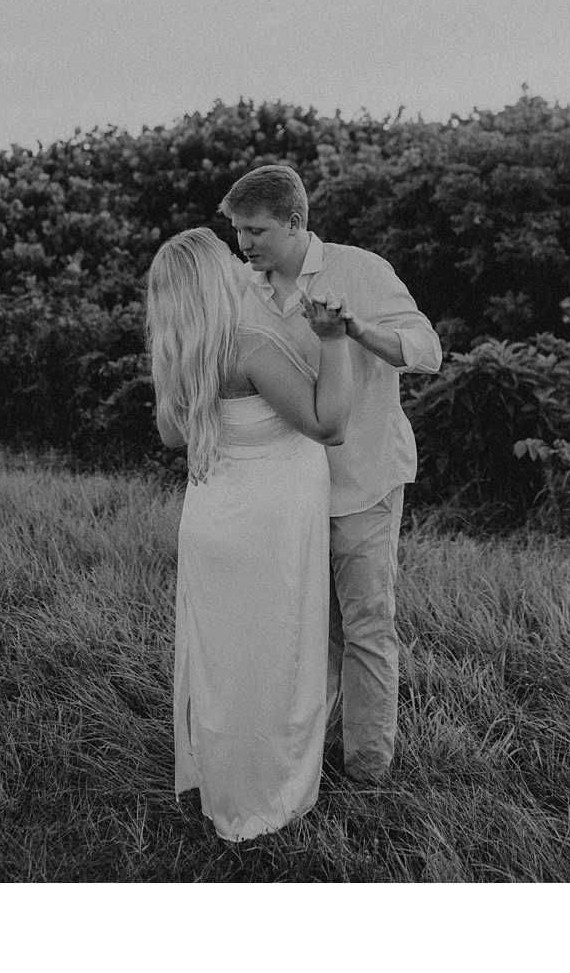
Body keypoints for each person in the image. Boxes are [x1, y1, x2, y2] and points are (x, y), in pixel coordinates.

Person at [219, 165, 443, 785]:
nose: (245, 244)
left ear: (296, 222)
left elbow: (428, 352)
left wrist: (354, 329)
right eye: (238, 231)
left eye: (256, 230)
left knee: (367, 625)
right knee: (311, 631)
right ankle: (305, 761)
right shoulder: (241, 286)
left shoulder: (360, 269)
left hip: (363, 478)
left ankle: (369, 774)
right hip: (286, 491)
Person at [146, 227, 353, 842]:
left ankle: (226, 788)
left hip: (210, 521)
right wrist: (333, 341)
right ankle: (268, 797)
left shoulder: (184, 351)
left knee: (225, 665)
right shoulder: (252, 345)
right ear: (216, 276)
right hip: (272, 527)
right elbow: (330, 424)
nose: (242, 260)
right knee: (277, 660)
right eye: (228, 255)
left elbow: (172, 438)